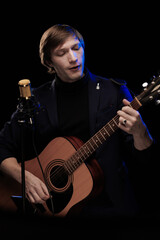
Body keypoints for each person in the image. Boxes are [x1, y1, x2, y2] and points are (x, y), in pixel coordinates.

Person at [0, 24, 155, 218]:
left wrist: (141, 132)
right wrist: (25, 179)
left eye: (76, 47)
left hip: (113, 209)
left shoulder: (114, 91)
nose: (73, 58)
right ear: (49, 61)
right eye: (62, 53)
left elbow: (145, 160)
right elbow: (2, 146)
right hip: (55, 211)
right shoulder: (37, 100)